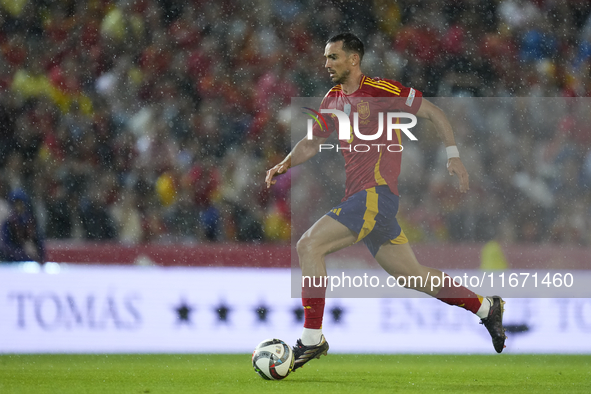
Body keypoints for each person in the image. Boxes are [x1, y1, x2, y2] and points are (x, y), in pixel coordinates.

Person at [265, 33, 506, 370]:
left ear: (353, 59)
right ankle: (486, 308)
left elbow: (434, 112)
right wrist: (286, 162)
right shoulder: (332, 99)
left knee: (309, 246)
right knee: (415, 277)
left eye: (333, 57)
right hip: (366, 201)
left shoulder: (381, 91)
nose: (326, 64)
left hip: (374, 195)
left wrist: (453, 155)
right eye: (325, 57)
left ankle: (311, 339)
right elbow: (312, 141)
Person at [0, 190, 45, 264]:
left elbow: (40, 242)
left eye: (21, 204)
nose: (18, 207)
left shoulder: (31, 221)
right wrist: (22, 253)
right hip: (13, 263)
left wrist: (38, 255)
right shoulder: (8, 223)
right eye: (16, 204)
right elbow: (6, 246)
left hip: (31, 263)